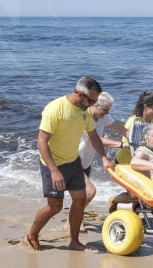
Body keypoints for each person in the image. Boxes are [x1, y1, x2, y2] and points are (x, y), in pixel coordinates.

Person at [25, 76, 116, 252]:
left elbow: (93, 136)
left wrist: (104, 157)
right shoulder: (55, 109)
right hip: (53, 163)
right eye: (91, 100)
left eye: (95, 101)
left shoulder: (84, 111)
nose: (93, 104)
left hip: (73, 161)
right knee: (55, 206)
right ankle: (32, 235)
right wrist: (54, 171)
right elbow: (41, 142)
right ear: (80, 94)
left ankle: (74, 241)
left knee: (80, 199)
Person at [63, 92, 131, 231]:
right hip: (73, 159)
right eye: (105, 110)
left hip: (85, 162)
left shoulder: (103, 116)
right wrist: (123, 145)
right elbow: (97, 140)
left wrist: (138, 139)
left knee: (80, 195)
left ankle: (74, 219)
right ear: (95, 105)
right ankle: (71, 221)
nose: (107, 113)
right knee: (89, 192)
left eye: (109, 110)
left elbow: (121, 129)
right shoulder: (83, 117)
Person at [109, 91, 153, 212]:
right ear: (145, 107)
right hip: (126, 161)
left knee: (145, 192)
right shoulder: (133, 122)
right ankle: (113, 200)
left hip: (142, 162)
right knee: (135, 195)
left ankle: (136, 211)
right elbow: (135, 145)